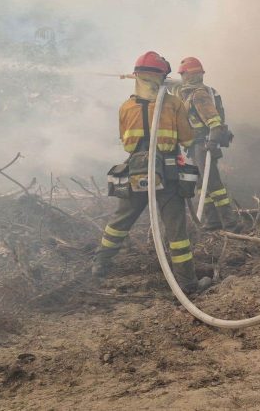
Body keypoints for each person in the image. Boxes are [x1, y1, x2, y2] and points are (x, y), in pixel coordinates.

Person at [94, 51, 211, 294]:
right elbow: (187, 138)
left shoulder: (126, 107)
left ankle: (100, 265)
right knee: (176, 230)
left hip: (135, 171)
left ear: (137, 76)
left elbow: (125, 141)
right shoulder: (174, 103)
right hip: (168, 175)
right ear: (162, 77)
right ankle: (188, 284)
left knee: (120, 221)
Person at [174, 56, 239, 231]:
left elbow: (214, 122)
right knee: (202, 184)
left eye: (183, 75)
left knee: (213, 184)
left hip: (204, 144)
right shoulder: (189, 94)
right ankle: (213, 221)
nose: (182, 79)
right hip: (196, 145)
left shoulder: (199, 94)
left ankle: (230, 222)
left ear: (188, 76)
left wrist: (211, 143)